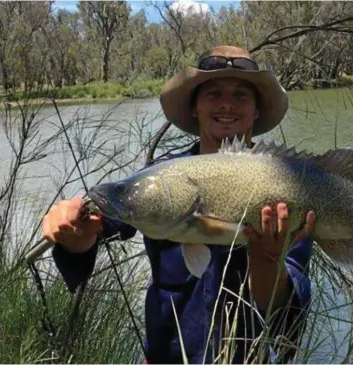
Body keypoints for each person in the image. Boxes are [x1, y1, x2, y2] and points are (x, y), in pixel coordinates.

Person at [42, 45, 316, 364]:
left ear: (256, 110)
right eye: (213, 93)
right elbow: (100, 225)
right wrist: (74, 237)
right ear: (195, 107)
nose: (226, 103)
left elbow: (285, 313)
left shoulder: (286, 186)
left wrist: (269, 262)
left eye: (241, 95)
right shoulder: (163, 179)